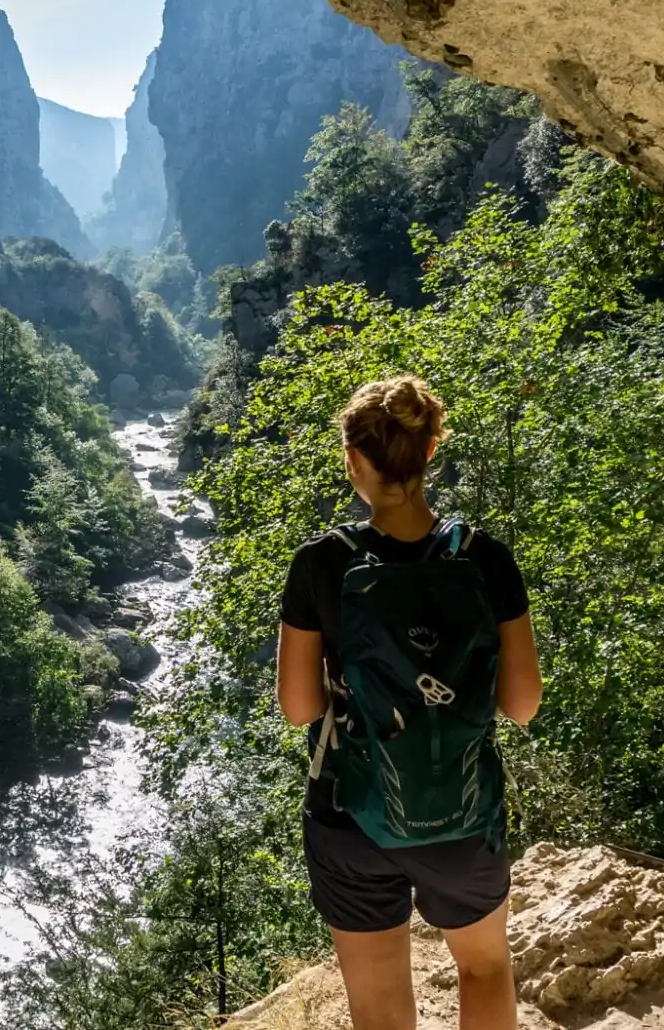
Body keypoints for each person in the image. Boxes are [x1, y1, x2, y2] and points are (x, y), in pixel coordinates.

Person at [276, 375, 543, 1030]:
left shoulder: (321, 562)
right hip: (463, 807)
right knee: (483, 967)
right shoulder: (486, 558)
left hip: (350, 815)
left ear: (353, 461)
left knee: (381, 1012)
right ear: (430, 452)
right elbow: (523, 704)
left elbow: (299, 707)